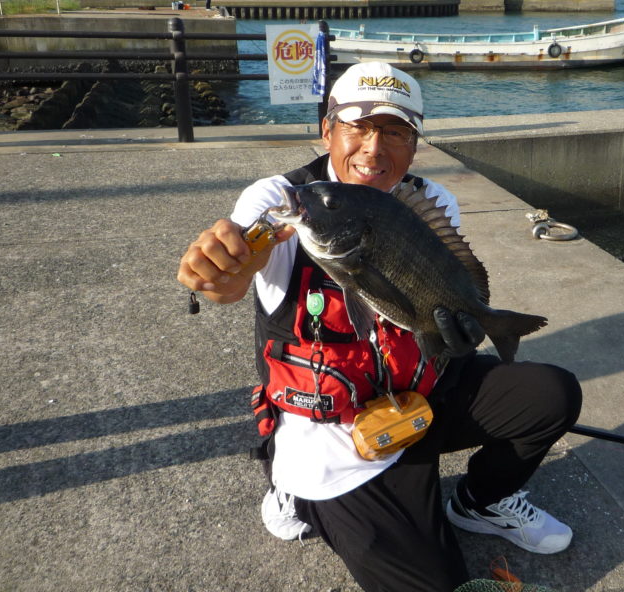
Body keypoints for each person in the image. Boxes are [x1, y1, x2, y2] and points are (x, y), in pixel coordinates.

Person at [177, 62, 582, 592]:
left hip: (413, 396)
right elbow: (232, 282)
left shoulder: (431, 202)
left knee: (549, 393)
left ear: (414, 145)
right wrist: (214, 276)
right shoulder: (280, 201)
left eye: (395, 132)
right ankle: (293, 491)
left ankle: (479, 504)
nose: (373, 149)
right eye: (357, 127)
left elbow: (435, 297)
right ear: (328, 130)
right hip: (333, 431)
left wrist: (455, 332)